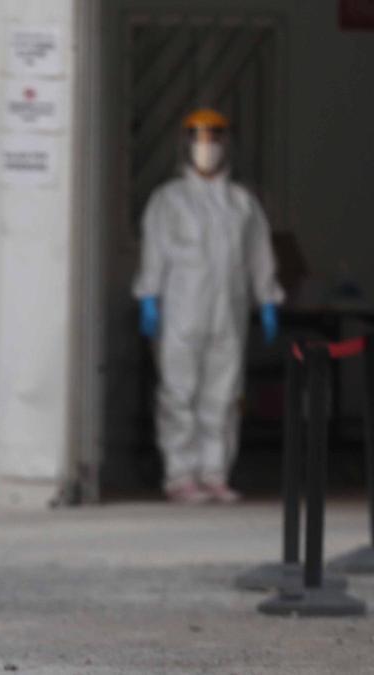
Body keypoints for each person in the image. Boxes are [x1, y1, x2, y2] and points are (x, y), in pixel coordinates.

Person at [133, 108, 284, 505]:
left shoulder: (242, 203)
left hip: (228, 315)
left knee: (224, 393)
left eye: (215, 139)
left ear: (227, 144)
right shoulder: (169, 200)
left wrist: (267, 298)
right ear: (185, 145)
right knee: (179, 393)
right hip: (181, 311)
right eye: (199, 140)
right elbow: (154, 251)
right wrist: (148, 296)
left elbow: (259, 255)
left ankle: (214, 472)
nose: (207, 148)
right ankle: (180, 474)